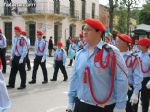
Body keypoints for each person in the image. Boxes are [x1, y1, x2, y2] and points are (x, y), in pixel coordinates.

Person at [66, 18, 128, 112]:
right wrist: (70, 101)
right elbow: (74, 78)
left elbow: (121, 79)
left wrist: (120, 106)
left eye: (89, 30)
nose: (85, 32)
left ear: (99, 32)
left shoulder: (111, 52)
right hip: (80, 105)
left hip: (102, 107)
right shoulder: (80, 53)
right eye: (84, 29)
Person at [116, 34, 143, 112]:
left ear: (124, 44)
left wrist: (135, 93)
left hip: (128, 89)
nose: (115, 43)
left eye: (118, 41)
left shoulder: (133, 57)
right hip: (114, 89)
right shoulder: (112, 55)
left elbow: (138, 75)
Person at [136, 38, 150, 112]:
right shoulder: (137, 54)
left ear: (146, 46)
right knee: (135, 98)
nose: (139, 46)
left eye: (141, 45)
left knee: (145, 99)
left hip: (146, 80)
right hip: (137, 79)